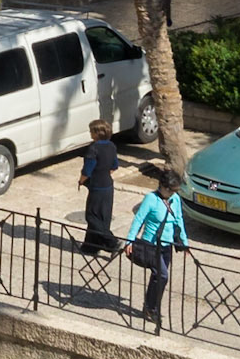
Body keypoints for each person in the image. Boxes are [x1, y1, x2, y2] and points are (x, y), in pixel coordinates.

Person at [124, 171, 190, 324]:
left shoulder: (175, 199)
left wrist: (184, 243)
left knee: (158, 277)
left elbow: (179, 220)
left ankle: (150, 306)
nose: (174, 193)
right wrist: (129, 241)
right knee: (162, 275)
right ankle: (151, 308)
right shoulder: (151, 199)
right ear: (163, 187)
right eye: (172, 190)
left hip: (167, 246)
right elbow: (139, 219)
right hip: (151, 245)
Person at [78, 118, 119, 255]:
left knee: (92, 216)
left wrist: (81, 180)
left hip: (97, 187)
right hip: (108, 185)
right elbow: (114, 166)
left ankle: (112, 242)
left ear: (96, 133)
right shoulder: (112, 146)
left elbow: (87, 170)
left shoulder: (93, 148)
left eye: (91, 131)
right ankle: (91, 246)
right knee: (104, 216)